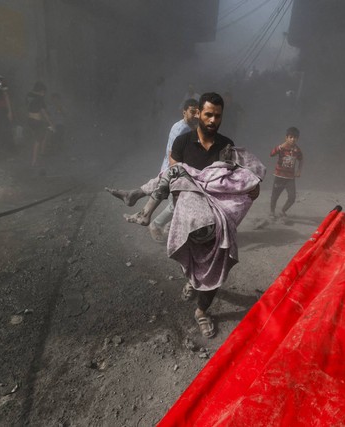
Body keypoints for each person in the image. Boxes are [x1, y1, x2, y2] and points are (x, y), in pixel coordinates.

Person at [108, 92, 261, 338]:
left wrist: (252, 186)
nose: (212, 120)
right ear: (198, 113)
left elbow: (234, 177)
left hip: (216, 213)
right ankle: (192, 278)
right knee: (190, 253)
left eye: (217, 116)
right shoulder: (182, 142)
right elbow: (174, 177)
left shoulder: (226, 145)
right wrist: (190, 192)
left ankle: (202, 311)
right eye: (208, 114)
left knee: (217, 261)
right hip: (188, 212)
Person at [149, 98, 200, 242]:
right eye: (192, 112)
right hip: (174, 170)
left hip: (173, 169)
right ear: (184, 112)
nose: (196, 115)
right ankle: (156, 225)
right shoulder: (182, 129)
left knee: (177, 203)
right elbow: (173, 154)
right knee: (176, 204)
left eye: (197, 112)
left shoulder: (181, 125)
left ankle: (169, 228)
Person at [269, 126, 303, 218]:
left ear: (297, 139)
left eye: (295, 138)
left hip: (290, 178)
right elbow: (271, 154)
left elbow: (301, 159)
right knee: (275, 196)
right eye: (290, 137)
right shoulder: (282, 148)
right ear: (286, 138)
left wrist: (299, 170)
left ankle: (283, 211)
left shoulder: (297, 150)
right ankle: (272, 212)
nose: (293, 139)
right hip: (279, 176)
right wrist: (279, 147)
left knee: (292, 198)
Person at [26, 82, 53, 167]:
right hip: (37, 121)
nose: (44, 94)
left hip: (30, 119)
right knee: (38, 140)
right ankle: (34, 161)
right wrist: (51, 123)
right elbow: (44, 113)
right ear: (42, 91)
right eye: (44, 92)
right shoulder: (40, 98)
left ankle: (41, 153)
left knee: (43, 134)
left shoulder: (29, 95)